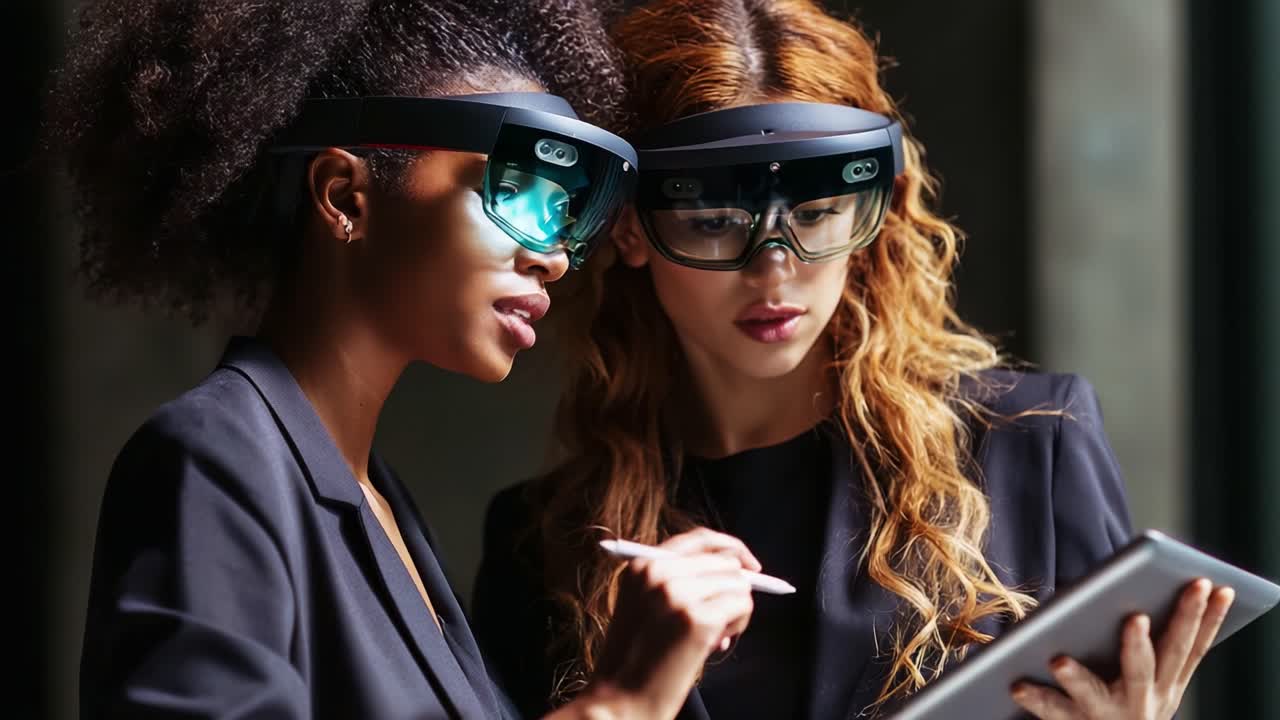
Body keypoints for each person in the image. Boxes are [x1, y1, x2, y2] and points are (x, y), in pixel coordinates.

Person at [472, 1, 1234, 718]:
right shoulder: (543, 541)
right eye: (713, 223)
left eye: (816, 215)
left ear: (871, 212)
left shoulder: (1032, 445)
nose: (773, 269)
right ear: (632, 232)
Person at [47, 1, 756, 717]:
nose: (552, 257)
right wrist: (623, 700)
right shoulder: (214, 459)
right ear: (344, 195)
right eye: (511, 193)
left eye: (565, 215)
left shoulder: (382, 508)